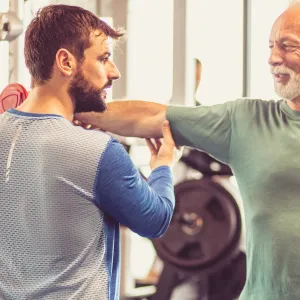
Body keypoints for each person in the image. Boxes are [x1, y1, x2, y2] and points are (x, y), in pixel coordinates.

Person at [75, 3, 300, 300]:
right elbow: (152, 118)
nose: (273, 58)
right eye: (271, 46)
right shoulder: (248, 122)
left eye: (288, 46)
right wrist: (69, 111)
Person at [0, 4, 180, 300]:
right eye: (104, 58)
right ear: (65, 62)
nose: (115, 72)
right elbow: (155, 219)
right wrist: (163, 166)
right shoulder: (97, 151)